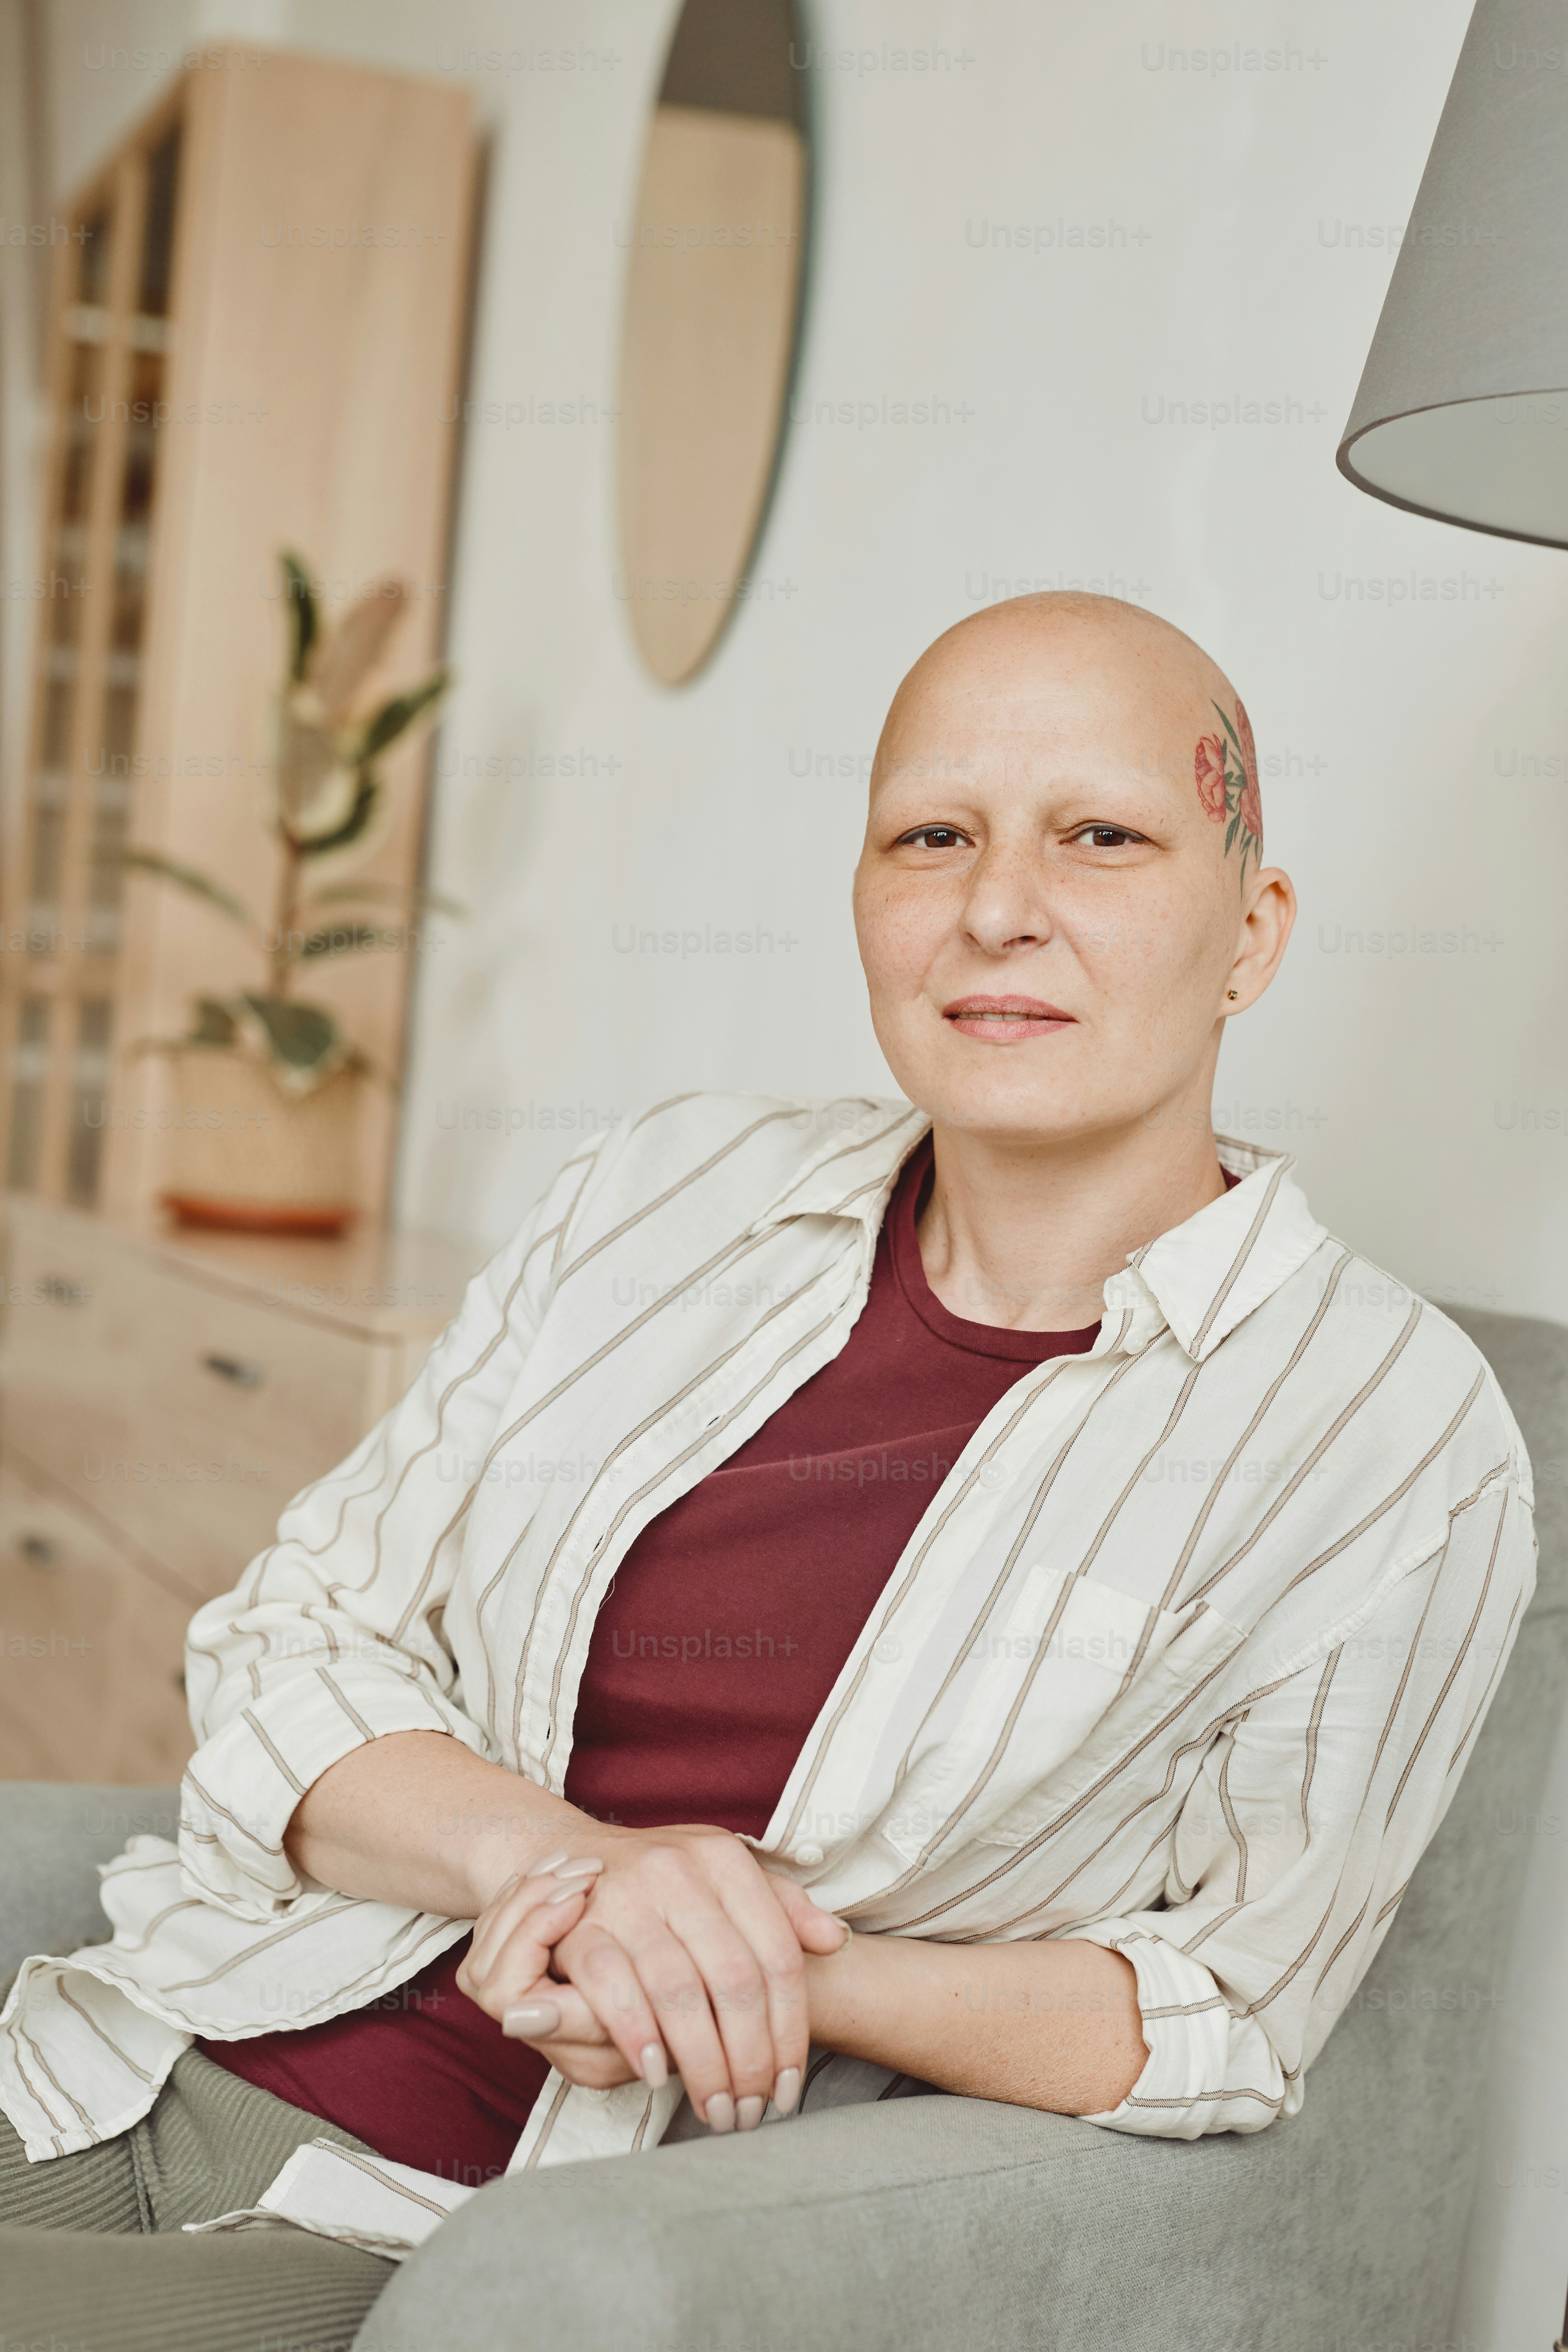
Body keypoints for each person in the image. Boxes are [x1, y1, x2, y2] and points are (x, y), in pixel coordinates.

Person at [0, 595, 1534, 2350]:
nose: (996, 907)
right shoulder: (667, 1196)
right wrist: (564, 1865)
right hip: (121, 2056)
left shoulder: (1386, 1437)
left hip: (458, 2254)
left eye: (1100, 837)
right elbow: (289, 1643)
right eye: (930, 836)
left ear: (1250, 934)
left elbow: (1225, 2016)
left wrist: (763, 1966)